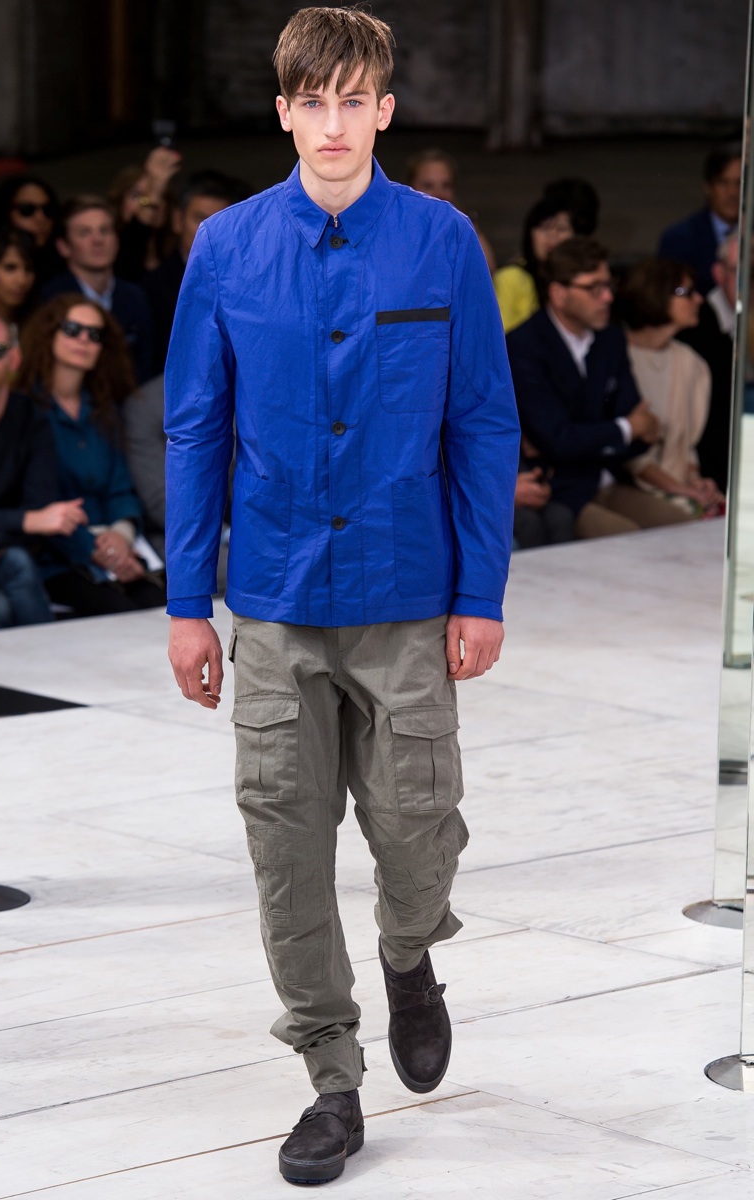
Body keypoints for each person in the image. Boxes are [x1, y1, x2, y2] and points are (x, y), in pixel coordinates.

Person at [164, 6, 519, 1186]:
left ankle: (409, 955)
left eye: (351, 99)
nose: (331, 123)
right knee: (285, 850)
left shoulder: (440, 242)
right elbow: (194, 427)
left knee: (419, 834)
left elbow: (480, 423)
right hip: (271, 603)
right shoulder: (225, 248)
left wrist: (480, 590)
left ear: (383, 109)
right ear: (282, 111)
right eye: (310, 101)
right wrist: (185, 604)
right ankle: (329, 1075)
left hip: (406, 596)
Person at [507, 236, 696, 538]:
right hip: (561, 491)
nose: (607, 296)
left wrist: (593, 434)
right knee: (628, 542)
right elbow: (559, 441)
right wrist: (625, 428)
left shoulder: (610, 337)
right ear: (558, 293)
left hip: (608, 477)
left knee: (685, 529)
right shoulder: (524, 345)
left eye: (609, 284)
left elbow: (644, 434)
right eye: (594, 288)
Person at [17, 295, 165, 615]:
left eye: (95, 334)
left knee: (160, 607)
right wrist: (97, 550)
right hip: (55, 557)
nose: (84, 339)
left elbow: (121, 488)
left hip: (117, 548)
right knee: (119, 613)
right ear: (49, 335)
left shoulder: (104, 411)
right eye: (73, 330)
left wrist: (121, 537)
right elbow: (36, 502)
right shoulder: (25, 411)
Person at [0, 309, 87, 632]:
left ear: (14, 358)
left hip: (3, 549)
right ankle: (53, 660)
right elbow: (36, 518)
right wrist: (25, 521)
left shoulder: (32, 419)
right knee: (6, 583)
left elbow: (40, 505)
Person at [620, 258, 722, 517]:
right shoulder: (617, 356)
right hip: (628, 485)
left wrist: (695, 481)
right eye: (686, 292)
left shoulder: (692, 363)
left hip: (676, 487)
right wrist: (681, 490)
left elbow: (686, 447)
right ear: (656, 294)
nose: (699, 299)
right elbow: (630, 457)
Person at [143, 170, 251, 376]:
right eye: (200, 219)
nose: (208, 231)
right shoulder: (152, 288)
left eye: (219, 221)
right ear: (178, 220)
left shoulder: (250, 283)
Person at [42, 197, 153, 384]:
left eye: (105, 230)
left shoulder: (136, 297)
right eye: (84, 232)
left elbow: (146, 367)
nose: (97, 240)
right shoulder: (50, 299)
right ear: (63, 247)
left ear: (117, 240)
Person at [679, 231, 737, 491]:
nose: (749, 281)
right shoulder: (694, 326)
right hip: (711, 468)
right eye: (739, 270)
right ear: (719, 273)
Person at [658, 144, 742, 295]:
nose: (732, 193)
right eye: (723, 182)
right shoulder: (678, 240)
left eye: (739, 183)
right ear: (708, 187)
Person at [493, 195, 574, 333]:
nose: (552, 235)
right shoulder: (511, 278)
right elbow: (499, 335)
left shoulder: (581, 282)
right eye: (544, 227)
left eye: (561, 229)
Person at [406, 147, 497, 271]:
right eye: (428, 186)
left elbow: (487, 272)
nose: (438, 194)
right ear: (409, 186)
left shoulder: (463, 224)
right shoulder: (394, 226)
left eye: (446, 185)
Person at [108, 146, 183, 281]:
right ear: (120, 204)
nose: (153, 202)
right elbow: (136, 236)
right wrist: (154, 192)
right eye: (136, 195)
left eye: (160, 195)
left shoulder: (178, 255)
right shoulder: (109, 254)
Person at [0, 175, 65, 286]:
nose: (40, 218)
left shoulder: (68, 271)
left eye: (48, 210)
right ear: (5, 213)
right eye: (27, 209)